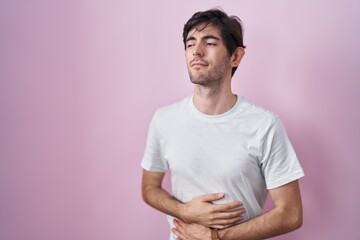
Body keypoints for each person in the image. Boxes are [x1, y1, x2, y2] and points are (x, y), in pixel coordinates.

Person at [141, 8, 304, 240]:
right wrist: (185, 210)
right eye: (190, 44)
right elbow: (149, 188)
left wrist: (216, 237)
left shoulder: (265, 125)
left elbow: (291, 214)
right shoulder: (164, 119)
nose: (196, 51)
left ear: (235, 56)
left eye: (209, 43)